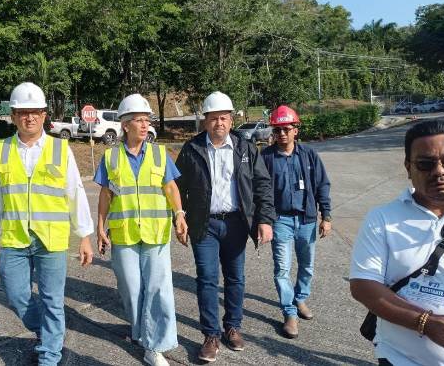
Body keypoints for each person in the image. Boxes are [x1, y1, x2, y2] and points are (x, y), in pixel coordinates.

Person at [0, 82, 94, 365]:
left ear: (44, 115)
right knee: (17, 296)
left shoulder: (60, 149)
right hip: (14, 239)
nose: (28, 117)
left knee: (53, 300)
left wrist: (84, 236)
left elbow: (75, 192)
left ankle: (49, 355)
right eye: (22, 112)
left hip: (51, 240)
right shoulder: (1, 151)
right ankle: (45, 331)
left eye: (34, 112)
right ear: (13, 115)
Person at [175, 91, 275, 362]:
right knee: (206, 279)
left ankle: (232, 327)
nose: (219, 122)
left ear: (231, 120)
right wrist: (179, 215)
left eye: (224, 117)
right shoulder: (192, 149)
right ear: (205, 121)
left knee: (235, 278)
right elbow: (176, 186)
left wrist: (265, 220)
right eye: (213, 118)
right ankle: (210, 335)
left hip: (235, 224)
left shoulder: (245, 149)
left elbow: (262, 185)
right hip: (204, 225)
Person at [94, 94, 188, 366]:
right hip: (124, 234)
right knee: (131, 289)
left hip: (156, 233)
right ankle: (140, 332)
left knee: (159, 289)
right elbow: (105, 195)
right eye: (139, 120)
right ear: (125, 125)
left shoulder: (159, 153)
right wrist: (100, 227)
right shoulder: (111, 157)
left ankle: (154, 346)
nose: (145, 125)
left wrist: (179, 214)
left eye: (147, 120)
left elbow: (170, 187)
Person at [350, 118, 444, 366]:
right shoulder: (382, 219)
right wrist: (427, 324)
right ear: (408, 168)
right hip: (400, 358)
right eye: (426, 164)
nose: (439, 171)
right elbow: (363, 284)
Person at [261, 105, 332, 339]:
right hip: (280, 220)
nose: (282, 134)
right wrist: (264, 221)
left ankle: (300, 299)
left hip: (307, 220)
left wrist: (326, 216)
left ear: (296, 130)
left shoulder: (309, 155)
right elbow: (260, 191)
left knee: (307, 265)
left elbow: (322, 185)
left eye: (286, 129)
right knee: (282, 268)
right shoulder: (266, 158)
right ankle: (289, 312)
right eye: (278, 129)